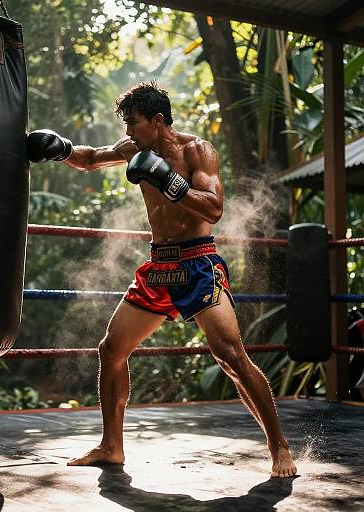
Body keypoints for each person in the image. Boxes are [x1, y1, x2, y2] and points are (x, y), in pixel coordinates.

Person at [27, 82, 297, 478]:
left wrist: (169, 181)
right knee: (111, 350)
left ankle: (280, 448)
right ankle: (111, 447)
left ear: (158, 120)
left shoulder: (196, 151)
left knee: (229, 354)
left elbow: (215, 207)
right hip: (160, 266)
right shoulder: (134, 148)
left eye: (133, 123)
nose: (128, 132)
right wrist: (60, 148)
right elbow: (91, 158)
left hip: (198, 262)